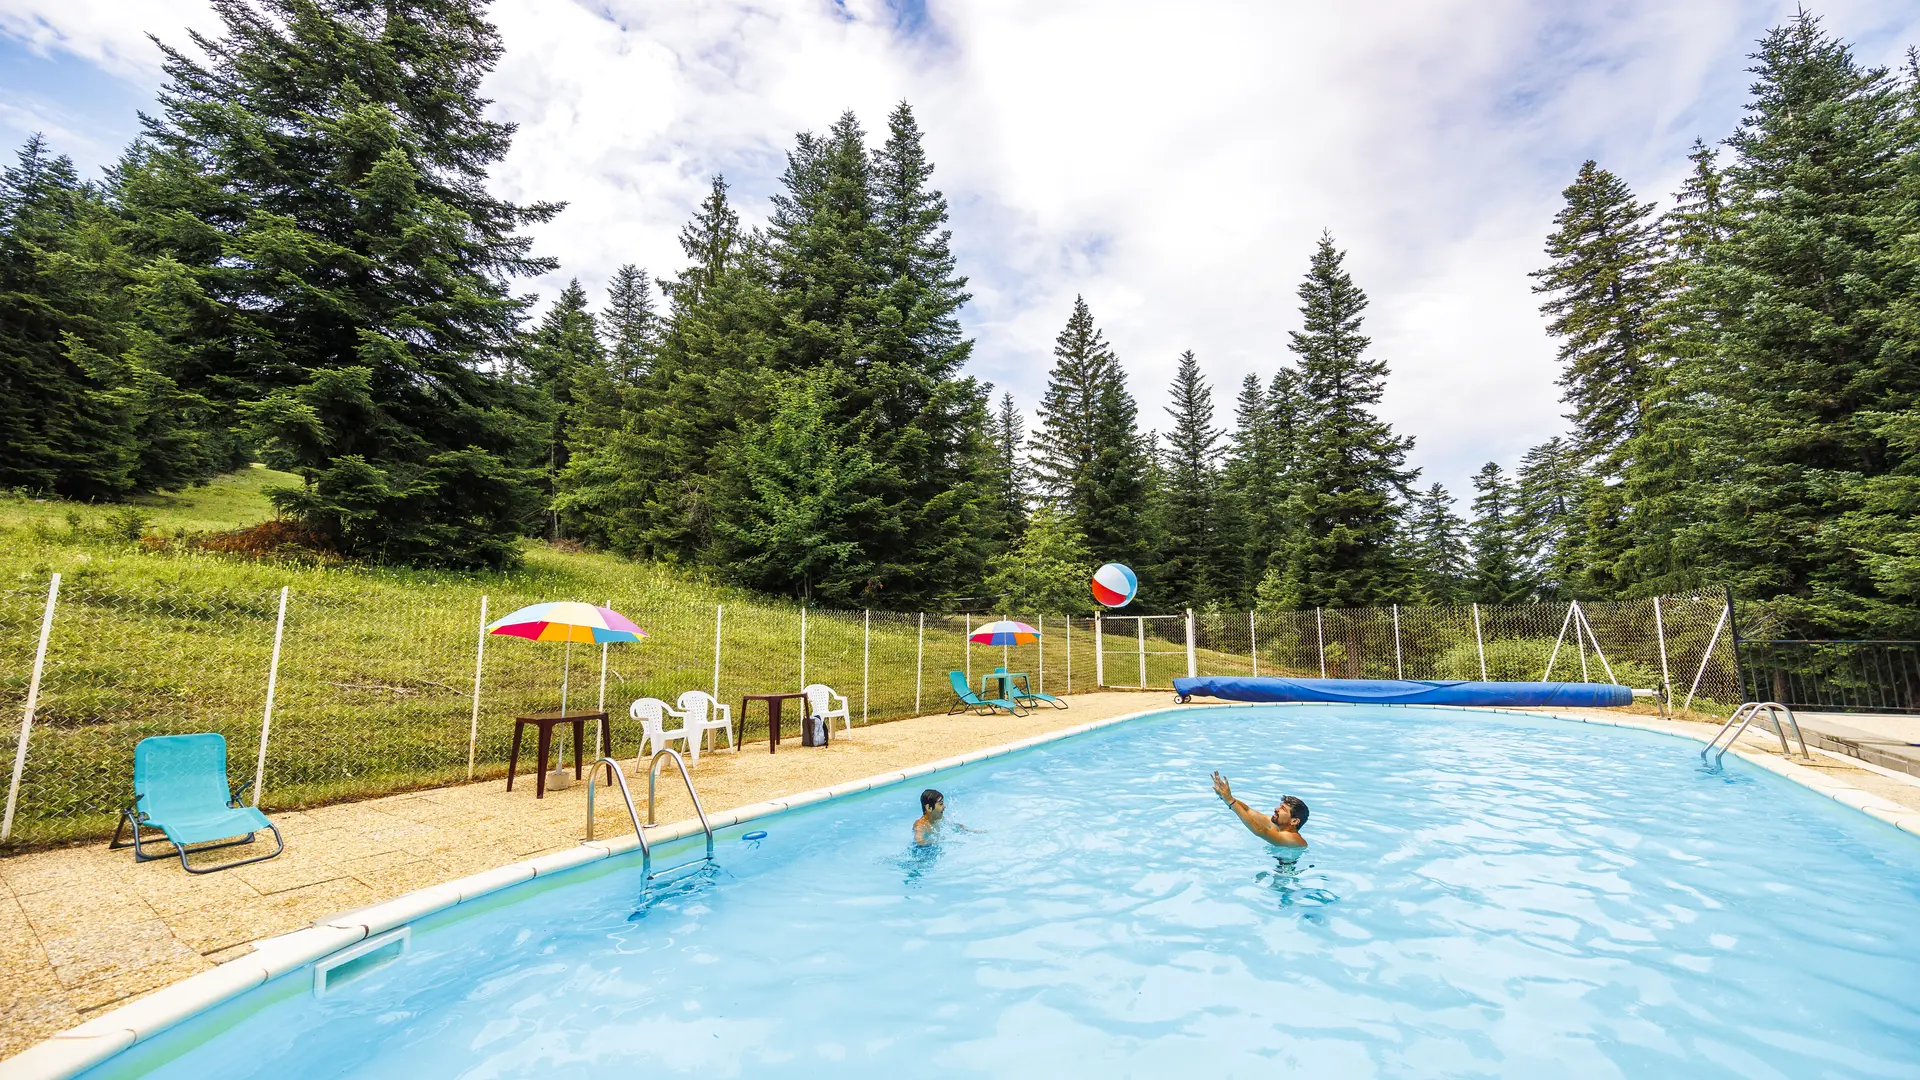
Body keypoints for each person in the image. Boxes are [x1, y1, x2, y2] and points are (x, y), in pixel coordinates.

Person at [1211, 772, 1308, 849]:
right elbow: (1247, 811)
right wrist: (1224, 796)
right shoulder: (1278, 828)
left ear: (1294, 821)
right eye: (1279, 806)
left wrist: (1230, 801)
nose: (1276, 809)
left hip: (1288, 873)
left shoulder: (1293, 839)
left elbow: (1260, 830)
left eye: (1283, 809)